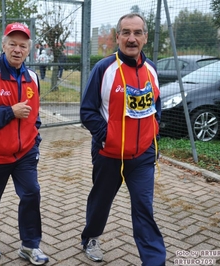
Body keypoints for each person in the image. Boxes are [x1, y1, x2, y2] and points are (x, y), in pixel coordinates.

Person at [79, 13, 166, 265]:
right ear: (117, 37)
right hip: (109, 155)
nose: (131, 38)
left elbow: (155, 108)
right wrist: (108, 137)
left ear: (145, 38)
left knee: (143, 209)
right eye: (126, 32)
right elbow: (87, 111)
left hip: (142, 156)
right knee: (101, 202)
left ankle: (153, 260)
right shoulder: (103, 69)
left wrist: (153, 137)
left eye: (137, 33)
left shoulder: (151, 70)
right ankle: (91, 237)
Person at [0, 22, 49, 265]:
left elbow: (34, 115)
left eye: (22, 45)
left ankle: (30, 245)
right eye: (12, 44)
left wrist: (35, 141)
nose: (17, 49)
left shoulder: (32, 77)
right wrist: (10, 112)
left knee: (31, 194)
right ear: (3, 46)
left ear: (28, 50)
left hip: (25, 153)